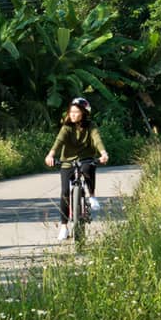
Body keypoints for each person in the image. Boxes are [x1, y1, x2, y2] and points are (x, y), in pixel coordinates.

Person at [44, 96, 109, 240]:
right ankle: (63, 226)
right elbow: (58, 142)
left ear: (84, 113)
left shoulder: (91, 126)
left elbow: (97, 139)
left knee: (88, 168)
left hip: (85, 159)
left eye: (76, 112)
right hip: (67, 162)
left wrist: (103, 153)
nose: (72, 114)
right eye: (71, 112)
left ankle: (91, 196)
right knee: (65, 193)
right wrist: (50, 155)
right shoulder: (66, 127)